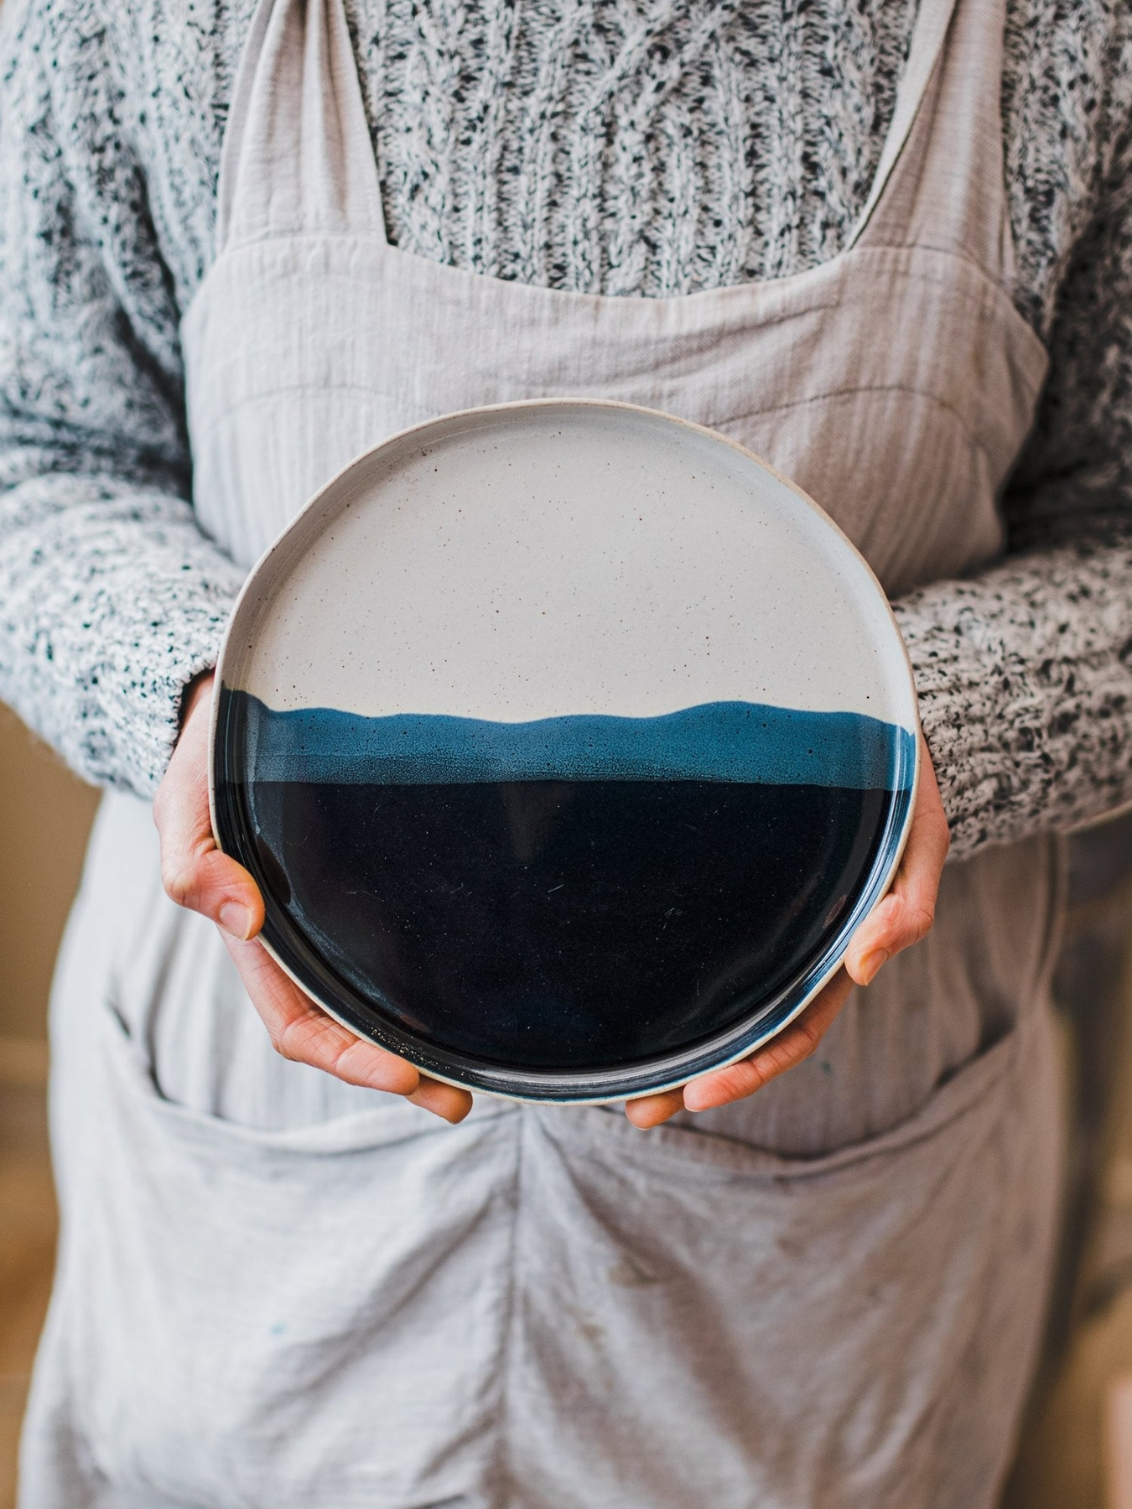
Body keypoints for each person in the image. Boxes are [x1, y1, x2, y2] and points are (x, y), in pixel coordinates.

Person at [0, 0, 1129, 1500]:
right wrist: (192, 695)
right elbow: (37, 453)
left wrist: (920, 726)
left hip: (833, 1187)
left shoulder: (1074, 38)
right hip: (271, 1121)